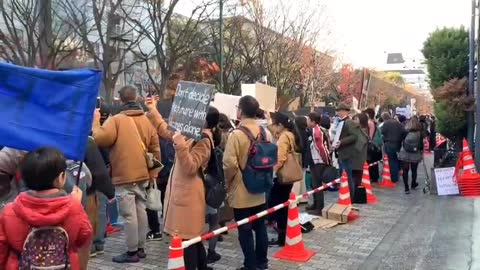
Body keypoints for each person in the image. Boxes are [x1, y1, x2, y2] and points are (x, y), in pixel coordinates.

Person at [92, 85, 160, 263]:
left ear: (121, 100)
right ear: (135, 98)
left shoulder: (117, 120)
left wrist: (96, 121)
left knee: (129, 215)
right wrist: (153, 172)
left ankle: (131, 252)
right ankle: (141, 248)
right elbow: (155, 148)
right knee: (141, 211)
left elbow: (99, 138)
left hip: (124, 175)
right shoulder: (146, 120)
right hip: (144, 174)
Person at [0, 147, 93, 269]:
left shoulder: (10, 211)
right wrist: (75, 205)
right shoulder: (74, 208)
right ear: (61, 177)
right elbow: (84, 239)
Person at [223, 96, 270, 270]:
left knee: (244, 229)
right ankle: (262, 261)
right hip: (261, 188)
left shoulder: (236, 134)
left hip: (242, 188)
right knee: (260, 226)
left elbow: (229, 164)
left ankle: (250, 264)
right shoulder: (266, 132)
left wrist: (229, 183)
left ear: (240, 111)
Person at [268, 113, 303, 246]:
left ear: (281, 125)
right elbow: (275, 132)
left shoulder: (284, 137)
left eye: (275, 124)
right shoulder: (290, 134)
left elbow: (281, 157)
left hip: (283, 175)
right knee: (283, 204)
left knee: (278, 205)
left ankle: (281, 236)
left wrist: (273, 171)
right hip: (290, 177)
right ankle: (284, 233)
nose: (273, 127)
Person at [305, 112, 332, 215]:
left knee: (317, 185)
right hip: (315, 160)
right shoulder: (319, 130)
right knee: (314, 184)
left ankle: (319, 207)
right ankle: (315, 204)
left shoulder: (317, 131)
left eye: (308, 119)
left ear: (312, 121)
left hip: (318, 161)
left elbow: (321, 147)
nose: (307, 121)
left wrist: (326, 160)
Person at [332, 103, 358, 199]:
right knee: (344, 175)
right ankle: (345, 194)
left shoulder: (349, 122)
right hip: (341, 152)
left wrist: (341, 142)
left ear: (344, 111)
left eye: (339, 110)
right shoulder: (341, 122)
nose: (338, 112)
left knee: (347, 176)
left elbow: (354, 136)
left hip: (347, 153)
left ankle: (350, 196)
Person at [398, 118, 424, 194]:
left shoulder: (405, 131)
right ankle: (413, 183)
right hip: (415, 153)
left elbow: (401, 140)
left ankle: (406, 187)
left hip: (405, 152)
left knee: (405, 170)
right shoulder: (420, 133)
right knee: (414, 170)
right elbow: (421, 145)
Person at [381, 112, 407, 183]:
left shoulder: (386, 124)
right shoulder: (397, 123)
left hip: (389, 143)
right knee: (395, 159)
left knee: (391, 160)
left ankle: (393, 177)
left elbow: (382, 132)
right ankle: (396, 175)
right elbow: (404, 132)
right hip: (397, 143)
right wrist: (400, 139)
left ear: (384, 118)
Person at [363, 108, 382, 183]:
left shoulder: (369, 122)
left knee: (370, 162)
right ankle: (375, 177)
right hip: (375, 145)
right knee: (374, 163)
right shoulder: (374, 122)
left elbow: (369, 136)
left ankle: (372, 177)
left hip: (371, 145)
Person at [351, 113, 369, 188]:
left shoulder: (362, 131)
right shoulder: (357, 130)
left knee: (357, 179)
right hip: (356, 158)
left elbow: (358, 146)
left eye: (356, 119)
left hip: (358, 159)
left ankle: (355, 195)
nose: (354, 121)